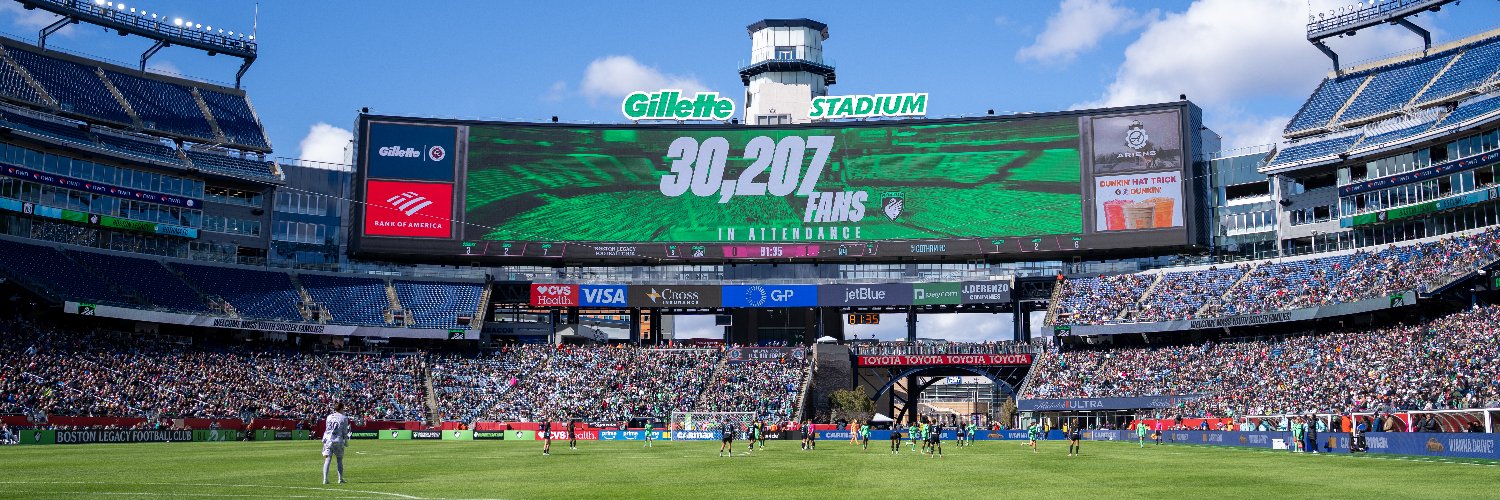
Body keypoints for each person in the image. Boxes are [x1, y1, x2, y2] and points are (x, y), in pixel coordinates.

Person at [320, 402, 351, 485]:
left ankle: (325, 479)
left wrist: (324, 439)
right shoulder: (344, 418)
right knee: (339, 460)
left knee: (327, 459)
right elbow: (345, 431)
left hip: (328, 440)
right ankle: (340, 479)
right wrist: (346, 441)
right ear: (341, 408)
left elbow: (327, 429)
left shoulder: (329, 417)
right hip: (338, 440)